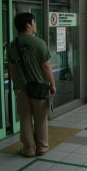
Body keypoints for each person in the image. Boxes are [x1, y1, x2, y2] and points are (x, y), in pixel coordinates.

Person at [7, 12, 56, 157]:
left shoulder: (11, 45)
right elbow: (46, 66)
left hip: (21, 89)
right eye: (34, 22)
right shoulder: (39, 43)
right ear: (28, 25)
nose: (35, 25)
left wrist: (16, 84)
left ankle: (28, 149)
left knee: (25, 118)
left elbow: (11, 68)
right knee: (41, 119)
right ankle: (42, 147)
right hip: (39, 88)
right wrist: (52, 84)